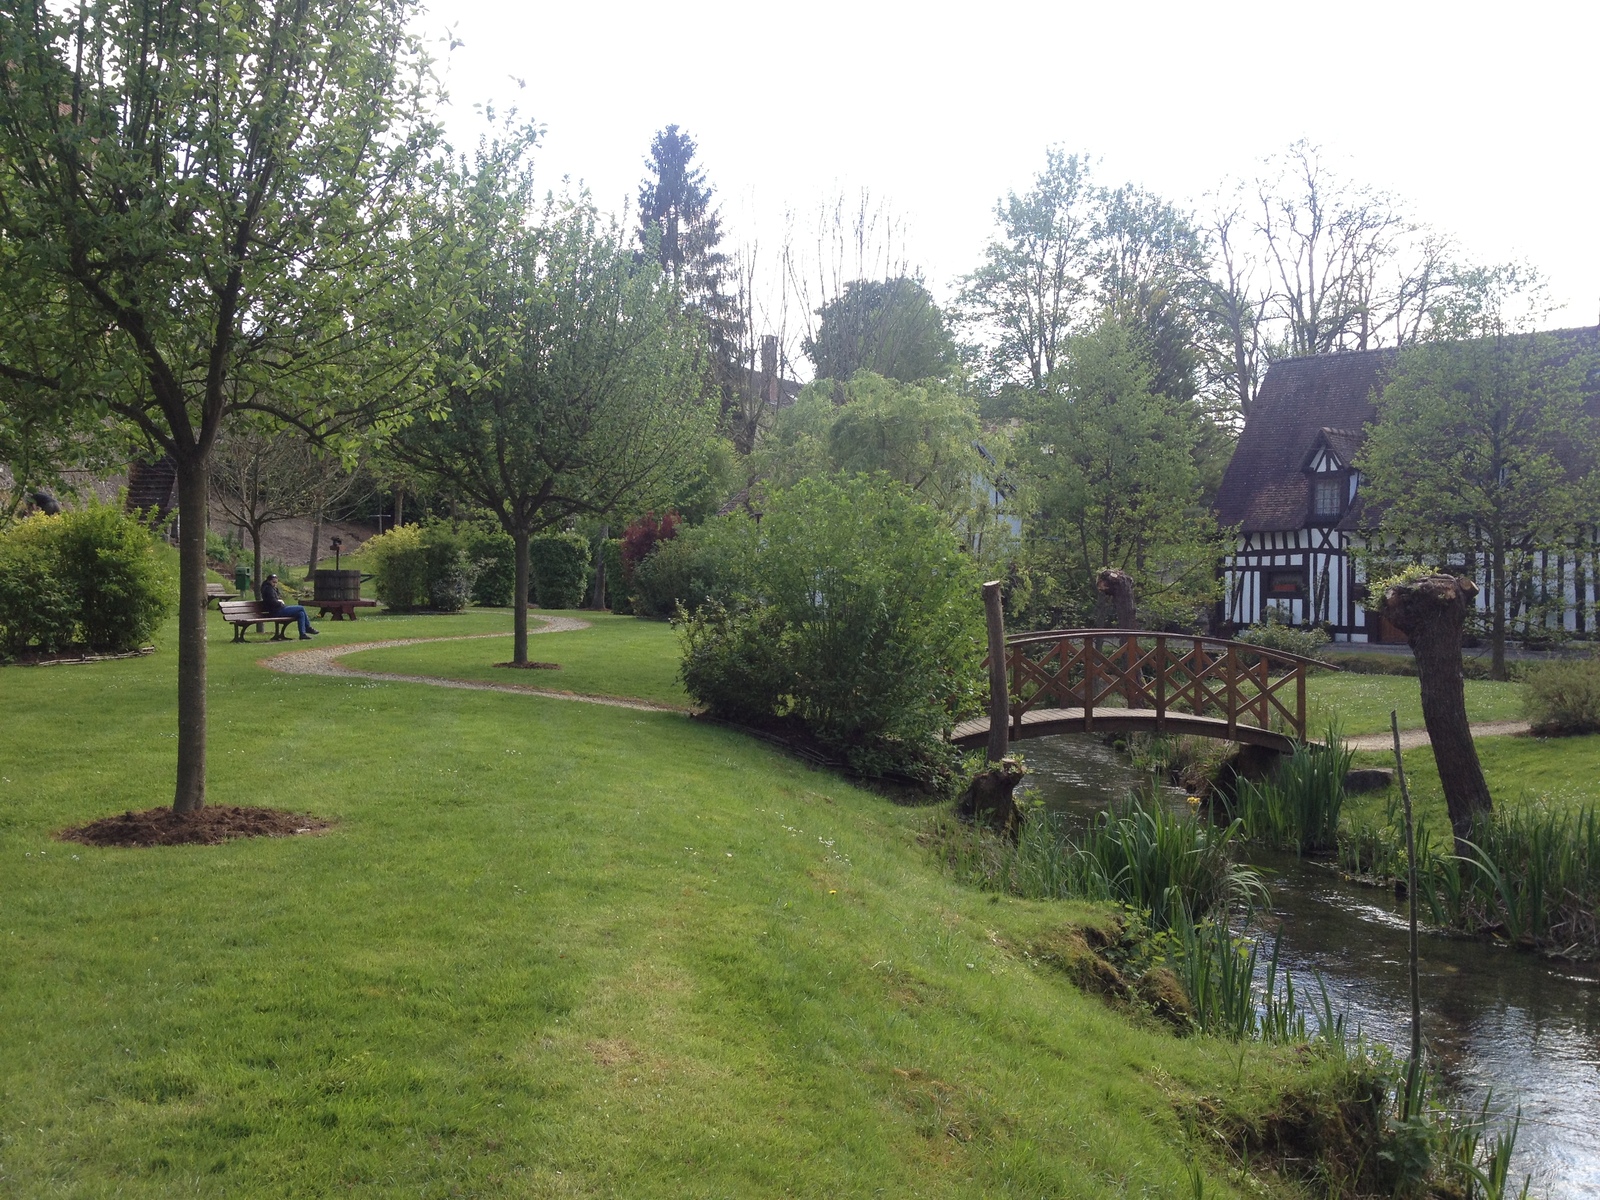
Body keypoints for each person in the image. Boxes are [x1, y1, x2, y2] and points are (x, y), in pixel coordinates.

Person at [260, 573, 318, 639]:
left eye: (276, 582)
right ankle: (307, 627)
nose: (275, 584)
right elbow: (272, 602)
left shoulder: (271, 588)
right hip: (276, 611)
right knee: (301, 608)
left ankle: (302, 634)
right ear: (269, 581)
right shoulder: (268, 589)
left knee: (300, 614)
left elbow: (275, 598)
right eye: (273, 582)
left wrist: (279, 600)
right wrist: (280, 602)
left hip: (279, 610)